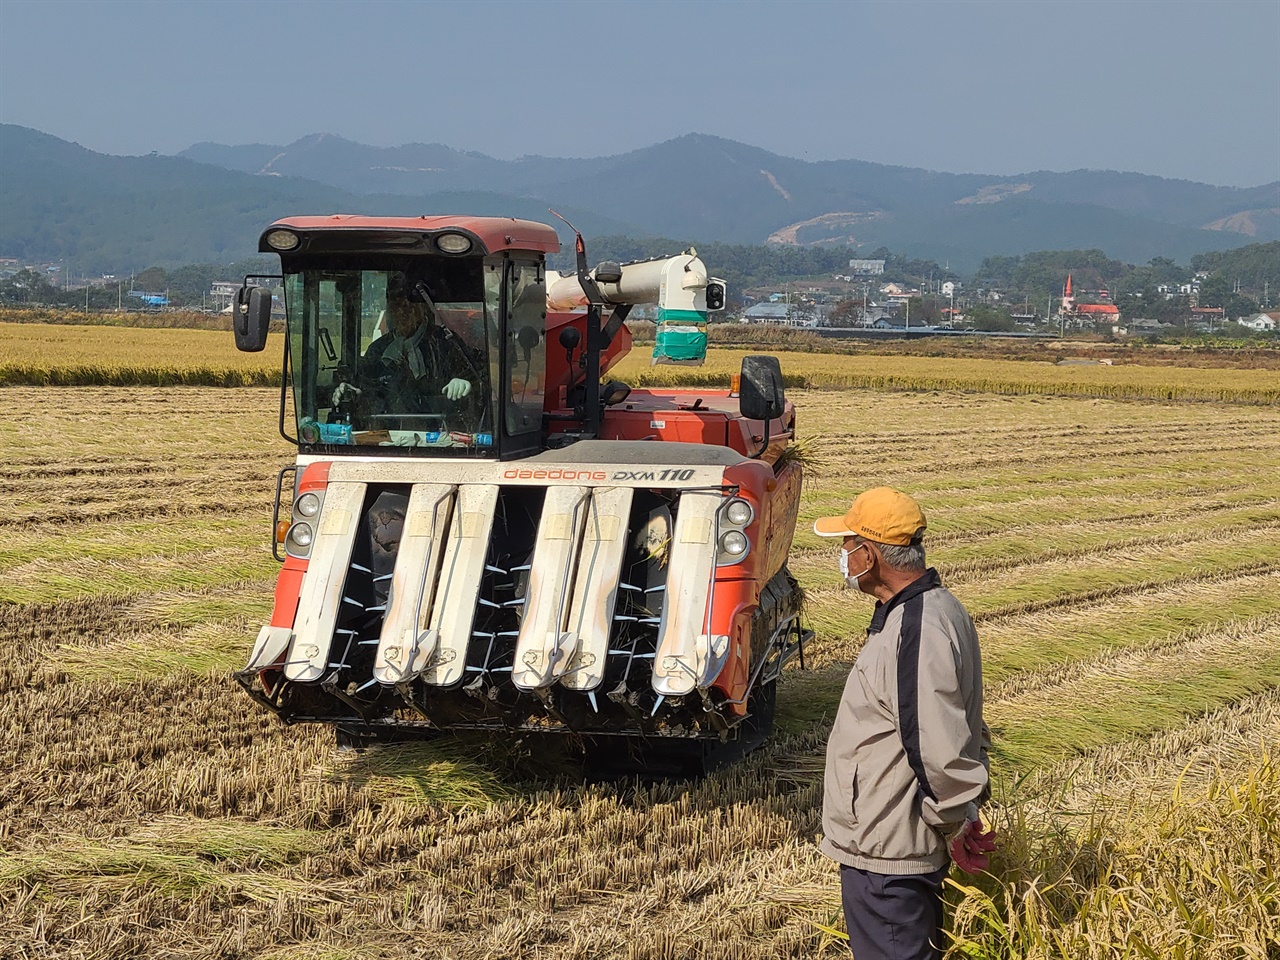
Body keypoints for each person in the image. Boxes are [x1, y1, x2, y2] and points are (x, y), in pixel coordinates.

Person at [814, 486, 995, 960]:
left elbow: (935, 741)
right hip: (892, 844)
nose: (843, 555)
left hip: (888, 854)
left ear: (869, 555)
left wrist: (955, 822)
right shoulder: (932, 609)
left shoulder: (916, 626)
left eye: (848, 544)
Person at [336, 275, 488, 434]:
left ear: (421, 309)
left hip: (440, 434)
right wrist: (351, 390)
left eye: (406, 307)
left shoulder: (445, 342)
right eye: (394, 306)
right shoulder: (378, 349)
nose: (400, 313)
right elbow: (366, 385)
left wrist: (465, 382)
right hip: (387, 436)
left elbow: (481, 373)